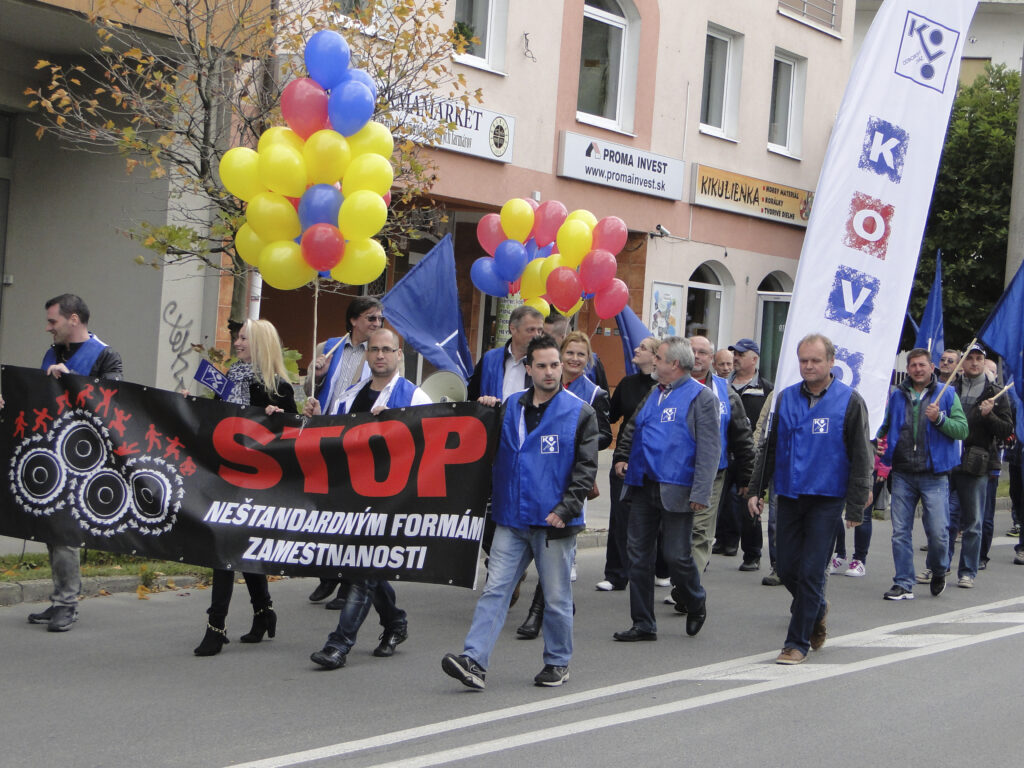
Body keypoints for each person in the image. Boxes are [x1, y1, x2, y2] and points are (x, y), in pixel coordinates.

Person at [442, 334, 598, 689]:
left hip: (553, 522)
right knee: (495, 591)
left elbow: (586, 469)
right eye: (541, 365)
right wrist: (481, 410)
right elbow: (476, 442)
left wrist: (566, 508)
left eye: (554, 365)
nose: (549, 372)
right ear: (527, 369)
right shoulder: (509, 406)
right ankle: (474, 661)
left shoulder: (580, 412)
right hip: (511, 519)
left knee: (557, 599)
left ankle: (558, 662)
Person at [307, 329, 431, 669]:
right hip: (353, 496)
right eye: (374, 349)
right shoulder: (349, 395)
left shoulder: (414, 397)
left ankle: (339, 644)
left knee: (362, 570)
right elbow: (333, 440)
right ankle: (395, 623)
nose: (379, 355)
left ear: (398, 354)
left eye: (387, 350)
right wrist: (316, 417)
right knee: (366, 567)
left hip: (393, 500)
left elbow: (429, 447)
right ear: (366, 355)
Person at [747, 334, 873, 665]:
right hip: (788, 493)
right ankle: (817, 608)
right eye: (803, 360)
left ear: (831, 362)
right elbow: (769, 448)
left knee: (812, 572)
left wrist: (857, 504)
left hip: (826, 497)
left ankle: (796, 642)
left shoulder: (850, 401)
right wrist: (755, 490)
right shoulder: (785, 398)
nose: (808, 366)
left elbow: (862, 456)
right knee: (787, 568)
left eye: (815, 360)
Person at [17, 295, 123, 633]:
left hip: (83, 458)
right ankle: (60, 597)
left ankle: (67, 604)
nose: (48, 328)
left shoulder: (106, 356)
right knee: (52, 530)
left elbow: (114, 403)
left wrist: (73, 381)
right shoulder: (53, 352)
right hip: (51, 450)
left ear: (73, 319)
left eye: (53, 322)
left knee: (64, 530)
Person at [193, 318, 297, 656]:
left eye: (244, 339)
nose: (237, 344)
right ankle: (263, 611)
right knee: (233, 547)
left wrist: (277, 418)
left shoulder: (280, 387)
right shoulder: (230, 380)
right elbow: (214, 421)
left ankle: (217, 625)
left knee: (229, 548)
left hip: (259, 482)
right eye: (237, 338)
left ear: (261, 343)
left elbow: (297, 439)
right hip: (226, 474)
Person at [611, 336, 721, 642]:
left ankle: (695, 599)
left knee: (676, 556)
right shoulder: (654, 393)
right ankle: (643, 622)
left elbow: (710, 450)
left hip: (677, 487)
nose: (654, 362)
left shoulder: (701, 397)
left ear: (674, 363)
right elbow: (633, 427)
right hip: (643, 483)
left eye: (658, 357)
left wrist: (701, 493)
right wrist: (622, 457)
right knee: (638, 555)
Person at [515, 331, 612, 638]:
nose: (573, 359)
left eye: (580, 354)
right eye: (569, 353)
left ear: (588, 359)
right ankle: (557, 601)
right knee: (544, 541)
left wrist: (575, 442)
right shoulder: (538, 387)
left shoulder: (593, 393)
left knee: (556, 541)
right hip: (538, 475)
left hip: (570, 478)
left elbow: (605, 434)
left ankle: (538, 611)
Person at [305, 297, 383, 607]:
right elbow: (309, 386)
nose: (376, 324)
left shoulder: (378, 353)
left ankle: (346, 584)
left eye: (379, 319)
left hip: (357, 440)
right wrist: (319, 373)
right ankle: (328, 574)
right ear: (353, 320)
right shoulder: (331, 346)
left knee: (351, 511)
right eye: (370, 318)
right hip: (325, 435)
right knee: (325, 507)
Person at [873, 348, 967, 601]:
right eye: (912, 365)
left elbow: (962, 430)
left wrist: (939, 420)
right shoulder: (897, 395)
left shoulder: (947, 394)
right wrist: (879, 442)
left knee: (938, 532)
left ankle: (938, 569)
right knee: (900, 532)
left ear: (931, 366)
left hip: (934, 474)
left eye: (921, 365)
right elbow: (886, 426)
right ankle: (903, 582)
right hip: (902, 472)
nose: (917, 369)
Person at [931, 344, 1013, 589]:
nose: (975, 363)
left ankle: (967, 571)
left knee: (974, 522)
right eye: (970, 359)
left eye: (979, 359)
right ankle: (940, 566)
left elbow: (1007, 429)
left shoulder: (996, 392)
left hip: (977, 463)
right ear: (962, 363)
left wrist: (990, 415)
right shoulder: (949, 389)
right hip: (949, 461)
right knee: (942, 519)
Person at [685, 336, 754, 577]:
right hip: (674, 472)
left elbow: (742, 437)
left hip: (712, 474)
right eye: (691, 350)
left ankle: (687, 588)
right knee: (674, 531)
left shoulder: (725, 391)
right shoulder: (668, 386)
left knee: (700, 530)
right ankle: (679, 574)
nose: (696, 356)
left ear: (711, 359)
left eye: (702, 352)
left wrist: (747, 479)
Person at [597, 337, 658, 592]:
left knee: (655, 519)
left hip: (654, 461)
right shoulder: (627, 383)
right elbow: (611, 415)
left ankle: (659, 569)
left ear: (656, 357)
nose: (636, 350)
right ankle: (616, 574)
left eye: (643, 348)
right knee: (620, 516)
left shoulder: (666, 388)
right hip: (625, 458)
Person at [715, 338, 773, 572]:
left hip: (749, 455)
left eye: (740, 354)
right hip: (722, 451)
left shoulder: (766, 388)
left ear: (754, 359)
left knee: (747, 502)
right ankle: (724, 541)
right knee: (718, 501)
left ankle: (752, 553)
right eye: (734, 354)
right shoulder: (722, 386)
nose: (735, 358)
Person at [468, 305, 545, 401]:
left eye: (540, 331)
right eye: (531, 330)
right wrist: (482, 402)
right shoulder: (489, 359)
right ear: (513, 328)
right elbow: (471, 397)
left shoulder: (543, 364)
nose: (536, 335)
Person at [543, 312, 609, 392]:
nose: (542, 339)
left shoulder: (594, 364)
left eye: (547, 336)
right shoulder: (543, 360)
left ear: (563, 337)